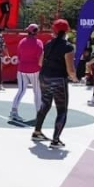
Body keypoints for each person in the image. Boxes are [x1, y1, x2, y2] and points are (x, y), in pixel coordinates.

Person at [32, 19, 78, 148]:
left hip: (44, 77)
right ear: (66, 31)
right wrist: (74, 78)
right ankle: (56, 140)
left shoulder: (48, 44)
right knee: (62, 110)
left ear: (54, 30)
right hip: (58, 79)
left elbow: (40, 62)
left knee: (45, 104)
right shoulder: (68, 46)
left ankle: (37, 131)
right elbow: (70, 69)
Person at [11, 23, 43, 122]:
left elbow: (19, 56)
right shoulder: (38, 43)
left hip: (21, 69)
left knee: (21, 90)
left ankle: (13, 111)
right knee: (37, 91)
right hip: (34, 69)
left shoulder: (22, 42)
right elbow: (40, 58)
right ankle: (39, 113)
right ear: (36, 32)